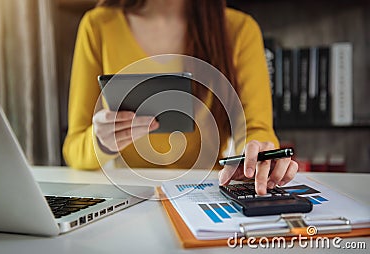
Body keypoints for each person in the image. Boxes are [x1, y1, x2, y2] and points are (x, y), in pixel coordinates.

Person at [62, 0, 298, 195]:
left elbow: (257, 129)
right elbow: (73, 148)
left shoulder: (240, 30)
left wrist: (257, 154)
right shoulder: (98, 25)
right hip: (131, 196)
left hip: (208, 192)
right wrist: (101, 141)